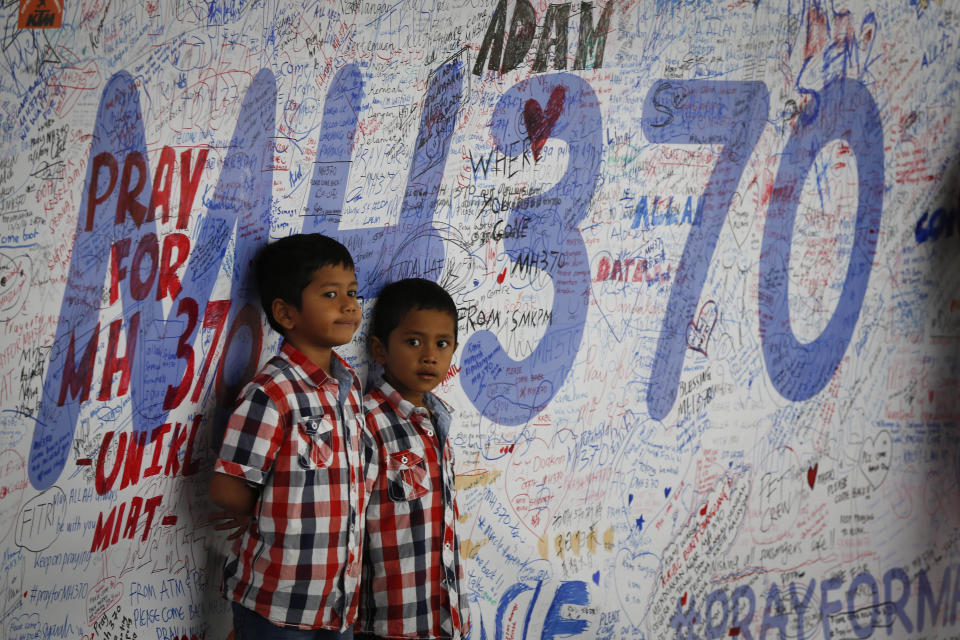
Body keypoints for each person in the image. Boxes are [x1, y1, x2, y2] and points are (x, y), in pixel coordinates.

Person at [209, 233, 365, 640]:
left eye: (352, 292)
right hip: (276, 600)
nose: (349, 304)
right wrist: (278, 512)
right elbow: (228, 488)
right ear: (286, 313)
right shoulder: (272, 392)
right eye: (330, 294)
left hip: (337, 601)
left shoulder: (349, 388)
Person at [357, 278, 471, 640]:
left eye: (442, 343)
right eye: (413, 341)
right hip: (386, 622)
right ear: (379, 349)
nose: (429, 355)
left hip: (441, 618)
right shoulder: (367, 423)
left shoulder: (439, 421)